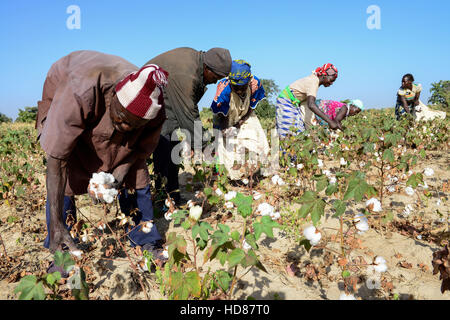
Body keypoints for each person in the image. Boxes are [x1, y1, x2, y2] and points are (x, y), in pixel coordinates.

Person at [36, 50, 169, 261]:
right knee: (68, 163)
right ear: (114, 96)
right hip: (65, 84)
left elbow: (139, 152)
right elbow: (56, 159)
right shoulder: (80, 91)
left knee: (137, 172)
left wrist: (116, 177)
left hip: (101, 100)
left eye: (134, 125)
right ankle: (59, 236)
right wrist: (56, 225)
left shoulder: (156, 110)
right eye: (122, 117)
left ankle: (144, 238)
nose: (125, 127)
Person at [146, 47, 232, 204]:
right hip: (147, 98)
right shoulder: (186, 75)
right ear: (207, 68)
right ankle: (163, 199)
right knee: (164, 145)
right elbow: (189, 115)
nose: (215, 82)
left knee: (172, 145)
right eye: (216, 77)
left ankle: (172, 196)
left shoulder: (195, 62)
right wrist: (206, 147)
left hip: (163, 97)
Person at [210, 59, 272, 180]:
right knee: (225, 149)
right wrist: (225, 130)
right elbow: (221, 115)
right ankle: (231, 177)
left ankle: (255, 171)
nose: (239, 90)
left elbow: (251, 106)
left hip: (245, 115)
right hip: (225, 118)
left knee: (259, 141)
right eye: (236, 87)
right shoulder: (223, 89)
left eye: (242, 87)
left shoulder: (255, 84)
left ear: (248, 81)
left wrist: (241, 122)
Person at [276, 63, 342, 139]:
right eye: (331, 80)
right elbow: (311, 105)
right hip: (286, 101)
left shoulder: (315, 81)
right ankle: (283, 149)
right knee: (288, 131)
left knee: (299, 129)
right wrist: (330, 121)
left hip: (294, 103)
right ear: (324, 75)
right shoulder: (313, 82)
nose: (331, 83)